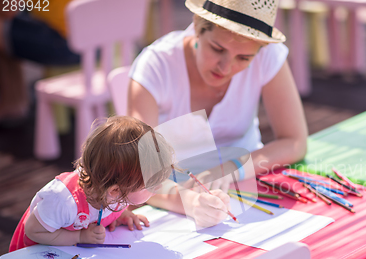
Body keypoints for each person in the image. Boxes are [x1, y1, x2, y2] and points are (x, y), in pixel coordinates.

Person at [128, 0, 308, 215]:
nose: (225, 67)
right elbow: (139, 173)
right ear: (197, 26)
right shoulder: (156, 65)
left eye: (244, 58)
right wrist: (190, 202)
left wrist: (230, 169)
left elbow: (295, 142)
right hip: (172, 200)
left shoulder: (268, 55)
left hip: (247, 185)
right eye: (217, 48)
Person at [9, 116, 230, 251]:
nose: (158, 188)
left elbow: (109, 205)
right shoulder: (62, 201)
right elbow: (33, 231)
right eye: (152, 185)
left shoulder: (113, 190)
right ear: (115, 190)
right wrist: (79, 237)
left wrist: (122, 215)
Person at [0, 1, 79, 125]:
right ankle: (14, 100)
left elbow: (6, 10)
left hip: (68, 45)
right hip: (96, 41)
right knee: (14, 23)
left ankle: (13, 101)